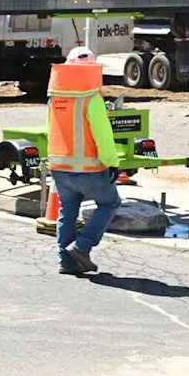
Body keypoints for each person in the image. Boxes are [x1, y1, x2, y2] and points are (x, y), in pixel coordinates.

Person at [47, 46, 121, 275]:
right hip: (89, 168)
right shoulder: (92, 99)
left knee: (67, 212)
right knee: (109, 203)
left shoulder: (55, 96)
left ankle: (66, 261)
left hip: (59, 166)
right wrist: (112, 161)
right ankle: (82, 246)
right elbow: (103, 135)